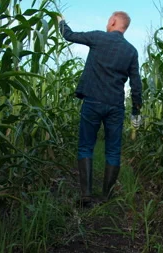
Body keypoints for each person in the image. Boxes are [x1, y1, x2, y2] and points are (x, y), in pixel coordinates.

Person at [58, 11, 143, 206]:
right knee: (113, 151)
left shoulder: (98, 37)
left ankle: (86, 196)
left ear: (113, 21)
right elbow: (136, 84)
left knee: (86, 146)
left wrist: (61, 22)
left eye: (108, 20)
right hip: (115, 105)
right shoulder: (131, 51)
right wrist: (136, 110)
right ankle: (106, 197)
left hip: (93, 101)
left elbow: (69, 35)